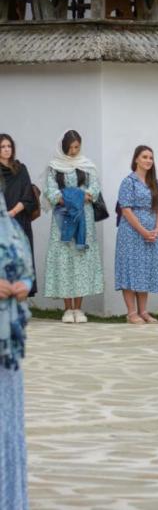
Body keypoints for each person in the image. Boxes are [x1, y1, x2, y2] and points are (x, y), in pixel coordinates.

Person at [44, 130, 104, 323]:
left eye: (76, 147)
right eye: (69, 147)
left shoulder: (87, 166)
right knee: (64, 260)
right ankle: (67, 308)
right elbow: (51, 192)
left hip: (83, 218)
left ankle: (79, 308)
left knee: (80, 259)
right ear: (63, 147)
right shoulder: (54, 167)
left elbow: (93, 190)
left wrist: (72, 197)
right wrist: (74, 198)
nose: (73, 151)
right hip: (62, 218)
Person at [0, 194, 33, 510]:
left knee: (6, 424)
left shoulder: (9, 227)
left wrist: (23, 284)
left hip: (6, 342)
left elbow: (25, 267)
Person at [115, 145, 158, 324]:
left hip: (152, 233)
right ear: (136, 159)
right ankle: (131, 313)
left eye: (151, 158)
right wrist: (143, 231)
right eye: (144, 157)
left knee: (144, 270)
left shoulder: (156, 183)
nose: (148, 161)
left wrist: (157, 229)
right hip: (131, 232)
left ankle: (143, 311)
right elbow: (126, 210)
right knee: (131, 269)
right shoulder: (129, 182)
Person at [0, 134, 37, 296]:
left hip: (19, 221)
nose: (6, 150)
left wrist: (13, 212)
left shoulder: (20, 169)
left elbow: (28, 195)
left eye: (9, 146)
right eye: (2, 147)